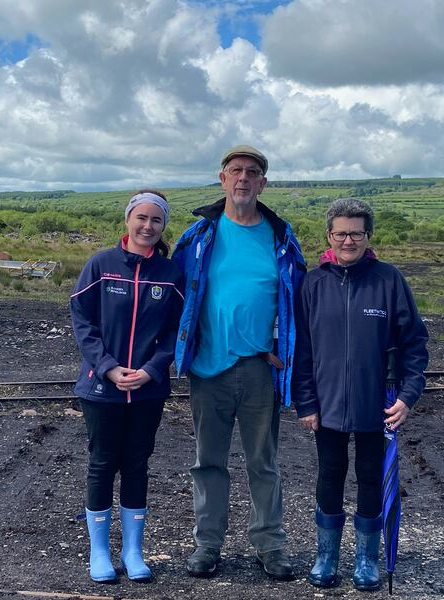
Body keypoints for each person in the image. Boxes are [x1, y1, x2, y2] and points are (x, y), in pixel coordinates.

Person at [172, 145, 306, 580]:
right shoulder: (197, 237)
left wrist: (283, 345)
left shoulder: (281, 238)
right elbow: (175, 297)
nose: (244, 178)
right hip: (208, 369)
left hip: (259, 369)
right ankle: (208, 545)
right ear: (222, 178)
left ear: (263, 183)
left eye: (253, 172)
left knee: (262, 462)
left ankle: (270, 546)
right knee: (207, 461)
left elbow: (298, 301)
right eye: (236, 171)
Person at [292, 198, 428, 590]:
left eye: (356, 232)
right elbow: (302, 349)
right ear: (328, 236)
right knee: (329, 476)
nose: (348, 240)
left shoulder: (389, 280)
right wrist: (306, 402)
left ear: (368, 236)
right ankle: (326, 556)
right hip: (326, 405)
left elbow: (414, 344)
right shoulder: (312, 283)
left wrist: (407, 395)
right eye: (340, 233)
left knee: (370, 478)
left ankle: (367, 558)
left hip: (378, 406)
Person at [70, 190, 184, 584]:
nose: (147, 226)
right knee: (102, 464)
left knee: (137, 465)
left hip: (148, 390)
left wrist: (154, 369)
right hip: (102, 388)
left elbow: (176, 330)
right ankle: (99, 551)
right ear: (128, 220)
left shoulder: (171, 273)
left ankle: (132, 550)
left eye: (156, 220)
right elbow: (82, 321)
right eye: (142, 218)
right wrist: (107, 367)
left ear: (163, 225)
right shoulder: (101, 265)